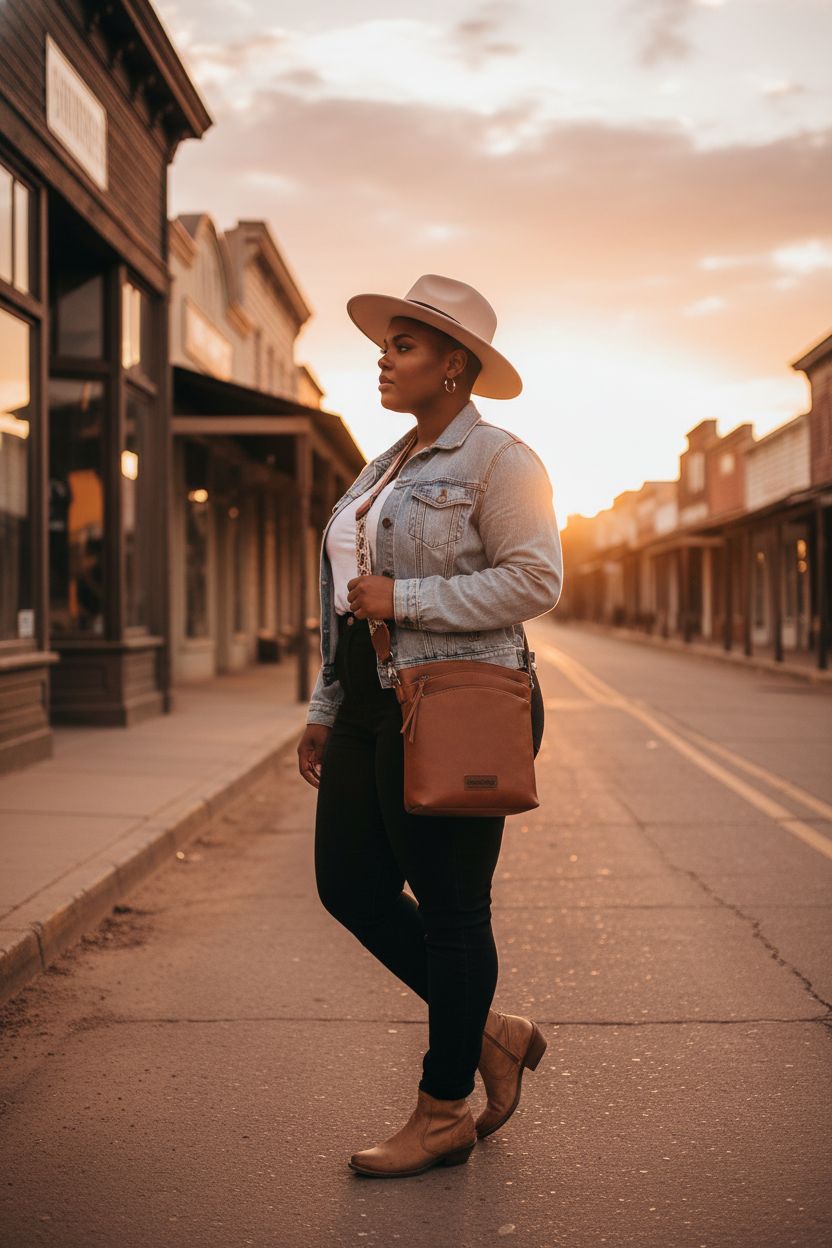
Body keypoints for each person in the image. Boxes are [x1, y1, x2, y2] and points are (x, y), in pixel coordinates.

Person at [296, 273, 563, 1178]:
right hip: (370, 700)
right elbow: (346, 600)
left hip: (456, 701)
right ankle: (488, 1032)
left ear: (455, 366)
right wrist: (328, 706)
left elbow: (536, 579)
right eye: (386, 345)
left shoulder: (501, 461)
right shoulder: (383, 466)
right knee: (349, 886)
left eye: (403, 346)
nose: (383, 358)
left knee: (452, 911)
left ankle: (444, 1109)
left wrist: (406, 598)